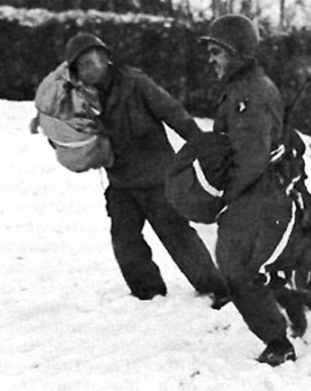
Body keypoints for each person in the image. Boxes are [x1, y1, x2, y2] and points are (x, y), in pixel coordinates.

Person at [35, 32, 229, 307]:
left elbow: (172, 112)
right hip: (121, 181)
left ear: (106, 59)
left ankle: (216, 288)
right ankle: (147, 292)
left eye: (97, 60)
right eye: (85, 65)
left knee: (176, 235)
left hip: (157, 176)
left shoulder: (134, 82)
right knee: (125, 240)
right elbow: (66, 129)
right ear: (76, 71)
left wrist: (202, 146)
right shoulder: (79, 98)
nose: (93, 69)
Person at [198, 15, 311, 366]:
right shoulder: (243, 87)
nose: (211, 59)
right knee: (243, 265)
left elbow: (253, 159)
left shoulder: (249, 95)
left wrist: (222, 198)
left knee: (236, 269)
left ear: (237, 51)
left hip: (260, 192)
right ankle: (289, 301)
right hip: (258, 189)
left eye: (216, 51)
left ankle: (279, 343)